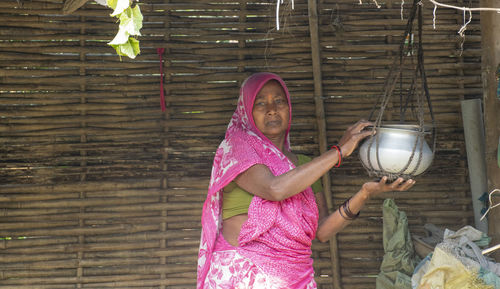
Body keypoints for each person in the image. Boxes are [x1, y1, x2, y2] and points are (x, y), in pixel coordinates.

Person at [197, 72, 415, 288]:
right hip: (243, 274)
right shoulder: (237, 147)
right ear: (247, 113)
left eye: (279, 101)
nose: (272, 109)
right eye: (260, 103)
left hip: (295, 278)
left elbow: (321, 231)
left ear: (289, 108)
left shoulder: (305, 166)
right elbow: (274, 188)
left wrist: (364, 194)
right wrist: (339, 152)